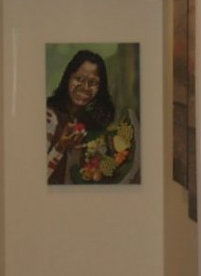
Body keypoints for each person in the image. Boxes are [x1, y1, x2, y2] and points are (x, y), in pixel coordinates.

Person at [45, 49, 139, 185]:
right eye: (79, 79)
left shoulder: (87, 123)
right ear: (68, 78)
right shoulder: (49, 116)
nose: (85, 87)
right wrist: (61, 146)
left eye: (93, 82)